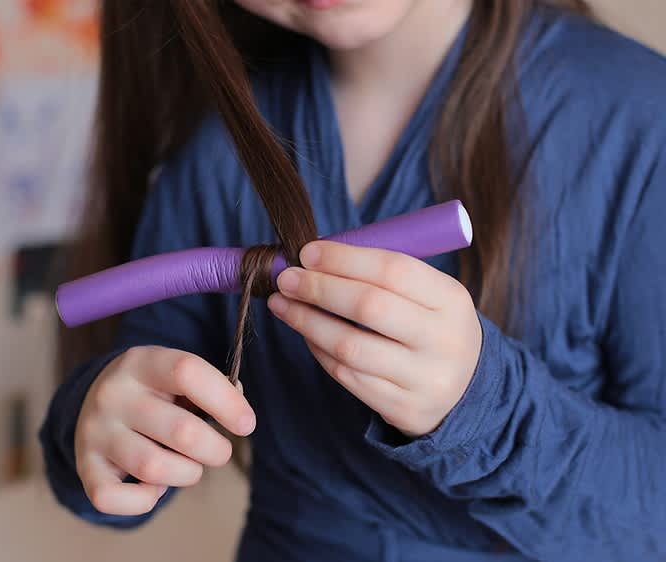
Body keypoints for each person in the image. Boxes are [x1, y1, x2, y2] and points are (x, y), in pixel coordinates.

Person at [39, 1, 666, 560]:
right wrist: (102, 427)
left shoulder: (637, 120)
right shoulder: (217, 142)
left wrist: (485, 408)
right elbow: (137, 415)